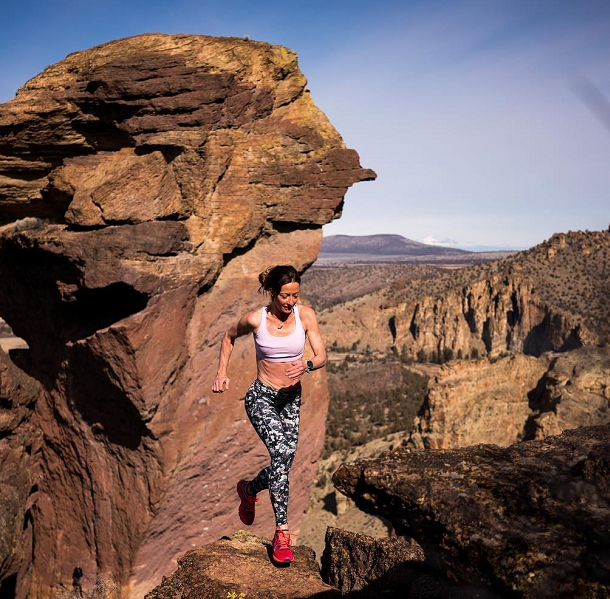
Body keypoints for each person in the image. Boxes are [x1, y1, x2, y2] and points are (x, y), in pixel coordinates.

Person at [212, 264, 326, 565]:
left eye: (296, 295)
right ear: (273, 293)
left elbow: (321, 355)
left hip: (290, 399)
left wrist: (307, 365)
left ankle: (248, 490)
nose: (291, 302)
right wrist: (221, 373)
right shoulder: (255, 319)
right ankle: (282, 535)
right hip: (261, 397)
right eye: (286, 296)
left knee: (282, 461)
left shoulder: (306, 315)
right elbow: (228, 337)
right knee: (282, 452)